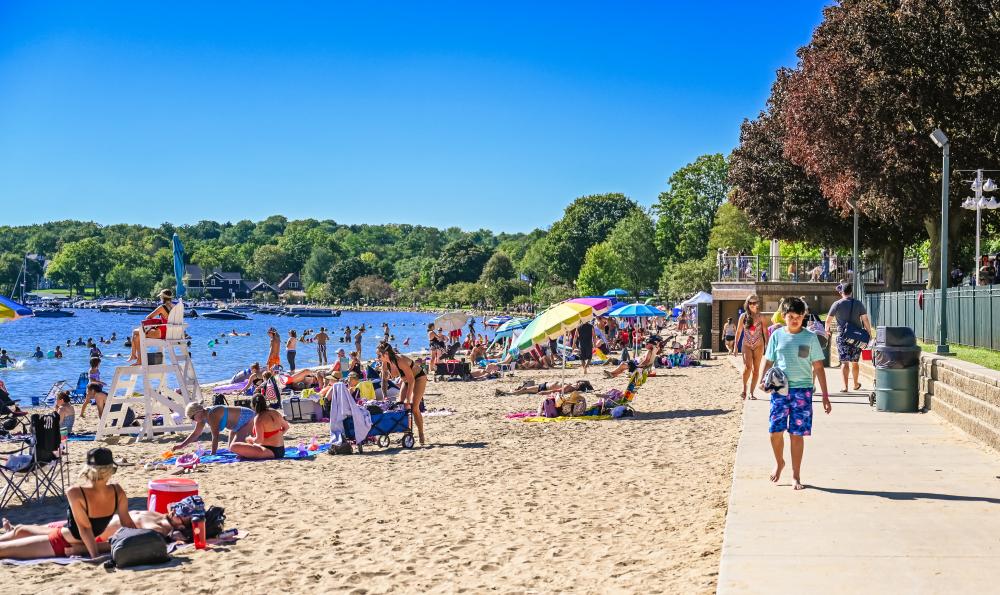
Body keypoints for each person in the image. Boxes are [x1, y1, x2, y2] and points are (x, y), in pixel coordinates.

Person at [0, 447, 135, 560]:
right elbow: (128, 523)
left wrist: (95, 556)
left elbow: (85, 529)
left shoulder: (76, 492)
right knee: (20, 530)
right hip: (64, 533)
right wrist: (142, 538)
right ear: (111, 469)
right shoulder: (117, 491)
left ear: (87, 469)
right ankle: (11, 532)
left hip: (60, 542)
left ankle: (11, 534)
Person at [759, 297, 831, 490]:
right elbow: (768, 360)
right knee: (774, 432)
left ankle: (795, 475)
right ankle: (779, 462)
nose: (794, 320)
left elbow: (818, 367)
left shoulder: (809, 337)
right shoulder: (776, 336)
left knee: (796, 435)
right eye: (790, 316)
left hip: (803, 391)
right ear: (784, 317)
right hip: (780, 390)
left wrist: (825, 395)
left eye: (798, 317)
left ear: (803, 317)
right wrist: (761, 380)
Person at [825, 283, 874, 392]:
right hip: (857, 337)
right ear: (851, 291)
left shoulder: (837, 304)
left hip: (842, 336)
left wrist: (826, 330)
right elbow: (865, 319)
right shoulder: (858, 304)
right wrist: (869, 333)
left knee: (844, 362)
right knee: (855, 362)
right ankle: (856, 384)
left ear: (842, 292)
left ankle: (845, 386)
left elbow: (828, 320)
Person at [377, 341, 427, 445]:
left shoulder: (400, 360)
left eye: (379, 355)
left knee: (413, 407)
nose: (377, 358)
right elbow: (383, 381)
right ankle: (407, 433)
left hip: (418, 378)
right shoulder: (385, 363)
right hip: (406, 381)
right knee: (400, 406)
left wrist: (408, 399)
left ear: (385, 354)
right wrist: (385, 396)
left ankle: (421, 433)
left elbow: (412, 380)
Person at [176, 402, 255, 454]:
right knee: (231, 449)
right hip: (236, 426)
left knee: (235, 448)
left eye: (192, 418)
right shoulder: (203, 417)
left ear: (197, 412)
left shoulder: (212, 414)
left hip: (247, 418)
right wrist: (181, 445)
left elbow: (215, 436)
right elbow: (195, 434)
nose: (193, 420)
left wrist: (213, 453)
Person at [229, 394, 289, 459]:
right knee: (245, 449)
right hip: (281, 450)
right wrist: (278, 435)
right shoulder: (274, 412)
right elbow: (286, 427)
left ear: (253, 405)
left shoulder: (259, 418)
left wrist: (249, 438)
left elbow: (259, 440)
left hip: (269, 451)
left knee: (233, 446)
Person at [734, 294, 768, 400]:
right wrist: (735, 346)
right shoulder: (743, 316)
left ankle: (751, 393)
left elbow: (765, 332)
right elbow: (739, 331)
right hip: (746, 345)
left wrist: (767, 344)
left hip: (759, 344)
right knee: (748, 367)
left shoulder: (761, 316)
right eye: (750, 303)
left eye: (754, 303)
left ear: (758, 303)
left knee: (756, 370)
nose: (752, 305)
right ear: (747, 304)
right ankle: (744, 389)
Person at [128, 289, 174, 364]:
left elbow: (148, 317)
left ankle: (136, 357)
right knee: (137, 336)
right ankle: (136, 357)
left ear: (162, 297)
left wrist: (156, 323)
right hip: (171, 333)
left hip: (162, 333)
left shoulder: (162, 307)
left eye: (160, 297)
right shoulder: (175, 307)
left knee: (135, 332)